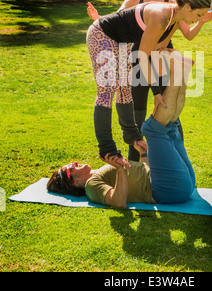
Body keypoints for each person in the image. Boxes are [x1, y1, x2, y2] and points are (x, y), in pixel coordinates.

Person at [87, 0, 212, 161]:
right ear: (188, 8)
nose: (198, 19)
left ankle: (132, 136)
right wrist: (156, 92)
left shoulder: (174, 15)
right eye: (198, 15)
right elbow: (142, 56)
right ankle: (107, 149)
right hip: (102, 35)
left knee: (124, 90)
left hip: (121, 42)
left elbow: (160, 46)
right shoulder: (161, 16)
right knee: (107, 90)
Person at [47, 51, 196, 208]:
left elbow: (143, 175)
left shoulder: (98, 174)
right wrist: (119, 169)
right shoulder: (92, 186)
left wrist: (143, 153)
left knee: (171, 125)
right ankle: (177, 72)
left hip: (178, 185)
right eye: (70, 167)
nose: (74, 162)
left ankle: (182, 71)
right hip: (168, 189)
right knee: (152, 129)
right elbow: (118, 202)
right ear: (73, 181)